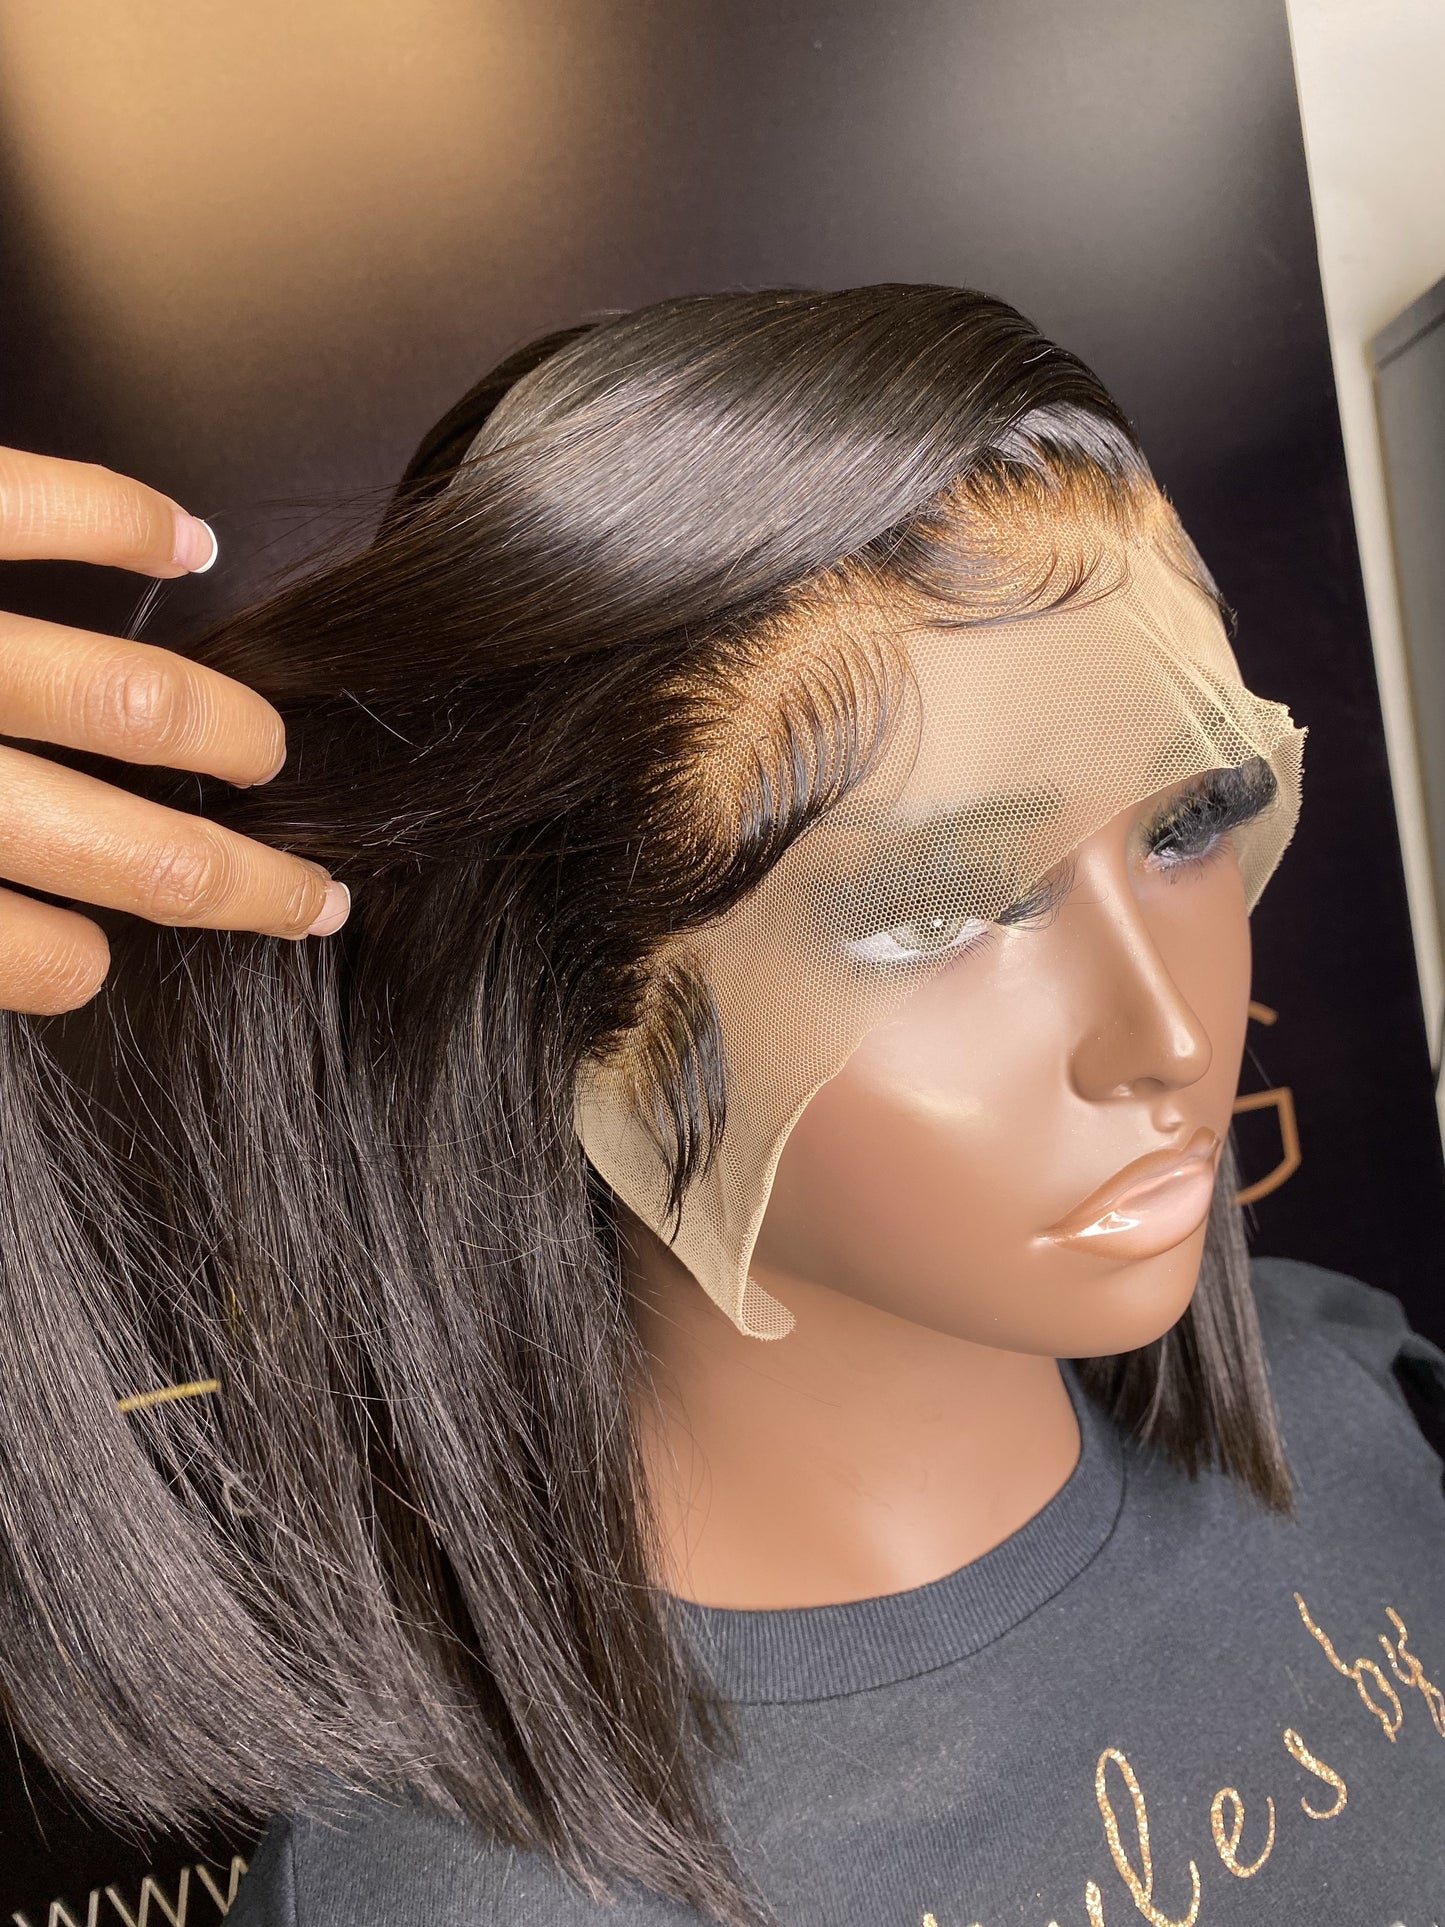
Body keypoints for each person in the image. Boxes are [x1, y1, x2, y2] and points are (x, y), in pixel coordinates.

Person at [2, 289, 1443, 1927]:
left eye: (1185, 826)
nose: (1168, 1034)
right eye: (945, 911)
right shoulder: (469, 1906)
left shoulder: (1359, 1402)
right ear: (566, 1005)